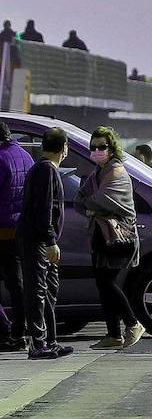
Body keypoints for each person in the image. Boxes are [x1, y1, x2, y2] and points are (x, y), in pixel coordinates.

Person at [74, 127, 143, 349]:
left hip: (118, 236)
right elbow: (79, 199)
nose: (97, 151)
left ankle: (133, 324)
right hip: (101, 234)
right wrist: (92, 208)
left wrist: (92, 206)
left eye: (101, 147)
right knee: (103, 284)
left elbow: (100, 199)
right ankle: (113, 334)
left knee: (107, 282)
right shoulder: (98, 172)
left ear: (112, 148)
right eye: (93, 147)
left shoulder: (116, 171)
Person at [19, 127, 69, 359]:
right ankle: (38, 344)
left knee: (48, 291)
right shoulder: (47, 171)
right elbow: (44, 209)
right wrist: (50, 240)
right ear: (64, 149)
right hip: (37, 239)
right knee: (38, 291)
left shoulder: (40, 168)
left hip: (39, 238)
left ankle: (51, 340)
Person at [0, 121, 35, 351]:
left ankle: (8, 330)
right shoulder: (26, 156)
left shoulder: (0, 159)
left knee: (15, 284)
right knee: (18, 284)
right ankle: (20, 332)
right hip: (21, 230)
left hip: (2, 229)